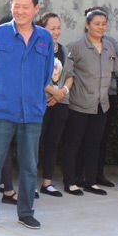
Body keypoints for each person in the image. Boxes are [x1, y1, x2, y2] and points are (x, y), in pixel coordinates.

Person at [0, 0, 54, 230]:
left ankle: (26, 213)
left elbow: (46, 72)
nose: (19, 11)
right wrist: (1, 91)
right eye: (16, 6)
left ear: (36, 9)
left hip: (32, 113)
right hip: (1, 112)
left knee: (29, 166)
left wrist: (33, 96)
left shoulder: (44, 38)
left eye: (25, 6)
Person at [60, 9, 118, 196]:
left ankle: (90, 181)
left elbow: (114, 72)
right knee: (73, 144)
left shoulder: (109, 47)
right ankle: (70, 181)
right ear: (87, 25)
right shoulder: (75, 47)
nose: (101, 27)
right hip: (79, 103)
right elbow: (65, 73)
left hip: (101, 104)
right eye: (97, 24)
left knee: (94, 144)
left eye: (104, 24)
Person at [35, 12, 73, 197]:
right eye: (52, 28)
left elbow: (70, 75)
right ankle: (30, 183)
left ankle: (47, 183)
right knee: (34, 143)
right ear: (43, 29)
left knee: (53, 142)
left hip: (60, 102)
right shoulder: (37, 47)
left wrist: (61, 93)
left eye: (58, 28)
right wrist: (52, 91)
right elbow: (34, 75)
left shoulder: (64, 50)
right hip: (40, 102)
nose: (56, 32)